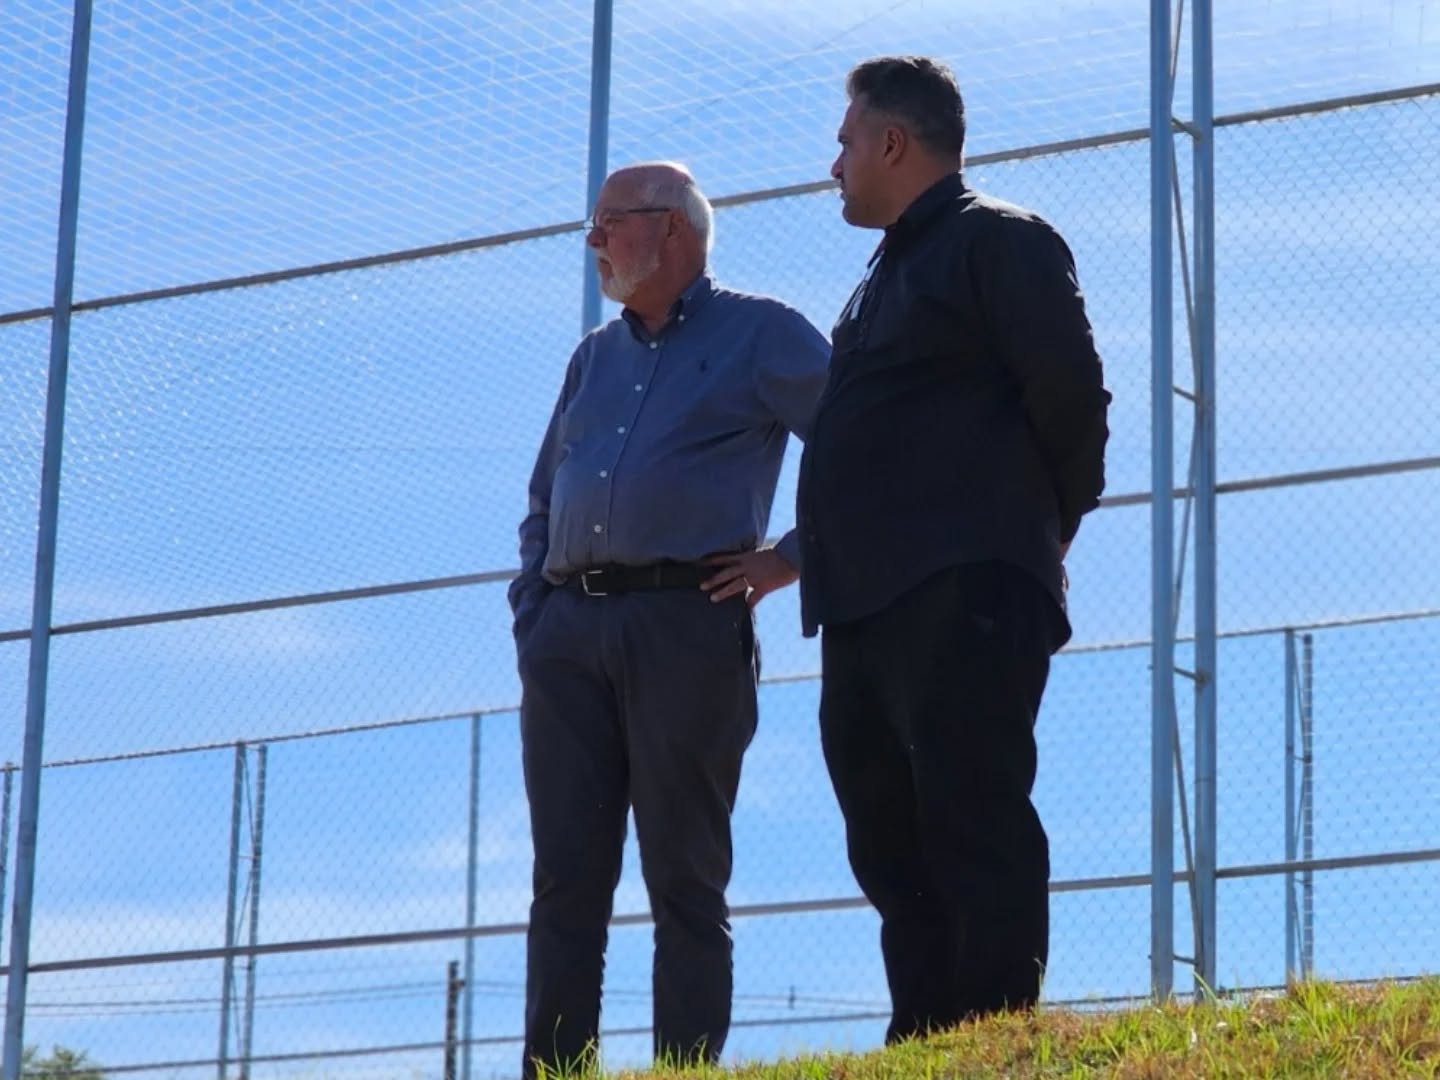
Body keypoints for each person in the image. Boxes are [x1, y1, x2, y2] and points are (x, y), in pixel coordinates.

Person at [797, 56, 1111, 1041]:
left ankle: (992, 1035)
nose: (834, 164)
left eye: (846, 141)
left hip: (965, 583)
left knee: (971, 809)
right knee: (886, 838)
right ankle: (927, 1039)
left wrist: (1043, 525)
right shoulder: (880, 277)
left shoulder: (999, 239)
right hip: (862, 602)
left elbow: (1071, 394)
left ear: (893, 142)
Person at [510, 161, 830, 1078]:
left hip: (688, 625)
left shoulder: (763, 332)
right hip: (567, 635)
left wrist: (792, 556)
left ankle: (684, 1070)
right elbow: (544, 498)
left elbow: (868, 440)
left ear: (673, 230)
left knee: (684, 876)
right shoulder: (592, 358)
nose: (594, 240)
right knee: (565, 882)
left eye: (610, 221)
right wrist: (535, 611)